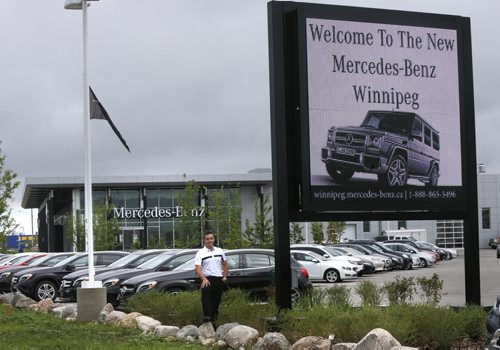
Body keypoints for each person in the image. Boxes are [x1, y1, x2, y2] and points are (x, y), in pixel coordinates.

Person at [194, 230, 228, 323]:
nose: (209, 240)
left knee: (216, 301)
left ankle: (214, 321)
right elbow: (197, 268)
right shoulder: (200, 253)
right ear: (204, 240)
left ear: (214, 239)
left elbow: (225, 264)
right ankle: (207, 316)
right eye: (207, 239)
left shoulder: (219, 251)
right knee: (206, 296)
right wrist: (204, 279)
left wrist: (224, 277)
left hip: (218, 279)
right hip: (207, 278)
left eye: (211, 238)